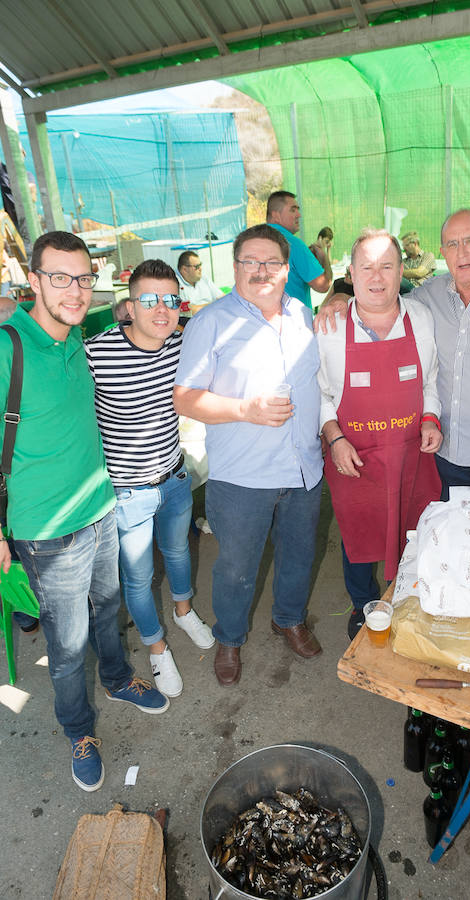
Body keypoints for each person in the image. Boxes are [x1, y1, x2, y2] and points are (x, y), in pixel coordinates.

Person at [0, 231, 168, 793]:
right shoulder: (9, 347)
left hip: (100, 509)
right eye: (59, 277)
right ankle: (79, 729)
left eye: (82, 278)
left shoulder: (79, 336)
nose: (74, 290)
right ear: (33, 280)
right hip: (47, 533)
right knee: (67, 645)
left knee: (107, 610)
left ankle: (118, 678)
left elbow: (140, 325)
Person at [316, 210, 470, 500]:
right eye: (451, 244)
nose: (461, 252)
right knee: (448, 540)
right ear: (442, 253)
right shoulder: (428, 296)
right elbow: (382, 301)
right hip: (441, 455)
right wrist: (342, 296)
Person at [173, 224, 323, 686]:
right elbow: (185, 397)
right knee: (237, 567)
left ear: (286, 267)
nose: (261, 271)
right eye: (250, 262)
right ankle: (230, 638)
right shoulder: (211, 321)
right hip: (243, 477)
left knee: (299, 555)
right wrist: (246, 409)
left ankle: (288, 618)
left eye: (271, 262)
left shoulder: (302, 314)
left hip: (303, 469)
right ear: (235, 266)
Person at [85, 259, 215, 699]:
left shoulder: (181, 345)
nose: (162, 309)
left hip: (175, 477)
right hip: (128, 493)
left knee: (178, 551)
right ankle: (156, 647)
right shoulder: (96, 353)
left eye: (170, 299)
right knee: (138, 579)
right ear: (129, 305)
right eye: (149, 299)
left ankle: (183, 611)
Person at [317, 229, 442, 639]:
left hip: (410, 456)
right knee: (358, 534)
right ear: (350, 274)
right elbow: (320, 392)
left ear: (401, 270)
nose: (377, 276)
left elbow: (431, 383)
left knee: (413, 531)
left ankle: (404, 599)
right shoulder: (330, 326)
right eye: (366, 267)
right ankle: (362, 603)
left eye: (386, 266)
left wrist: (430, 418)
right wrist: (334, 437)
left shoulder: (421, 318)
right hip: (354, 457)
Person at [266, 191, 332, 310]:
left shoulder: (251, 240)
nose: (299, 215)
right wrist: (323, 257)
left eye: (298, 209)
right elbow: (323, 285)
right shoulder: (294, 245)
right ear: (276, 216)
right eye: (293, 210)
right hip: (293, 322)